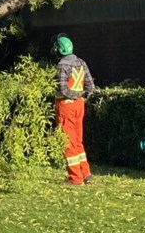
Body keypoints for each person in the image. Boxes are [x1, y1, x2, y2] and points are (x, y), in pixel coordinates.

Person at [51, 33, 95, 185]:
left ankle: (75, 178)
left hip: (66, 106)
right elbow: (90, 87)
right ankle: (85, 173)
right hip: (79, 106)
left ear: (59, 50)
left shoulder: (62, 66)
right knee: (78, 141)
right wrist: (81, 97)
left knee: (68, 142)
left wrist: (72, 96)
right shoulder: (81, 62)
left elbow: (62, 89)